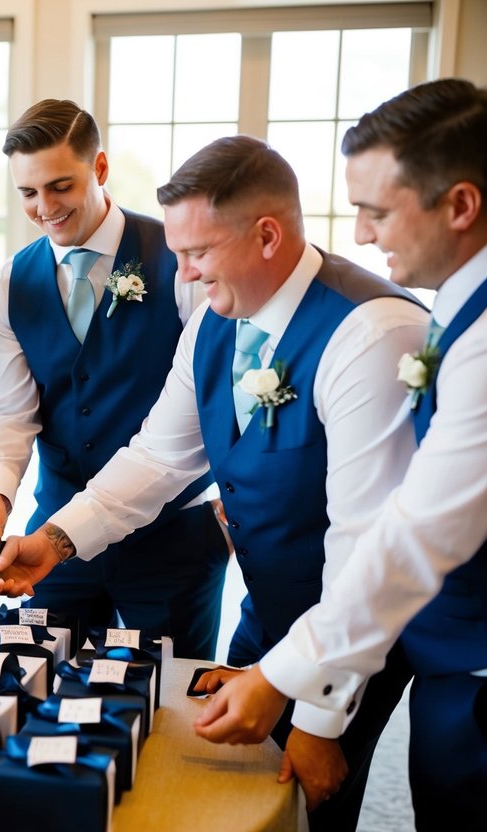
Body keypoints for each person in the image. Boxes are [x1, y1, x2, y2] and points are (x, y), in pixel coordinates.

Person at [0, 135, 427, 829]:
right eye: (178, 253)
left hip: (357, 638)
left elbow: (365, 547)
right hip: (271, 610)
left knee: (306, 807)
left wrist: (316, 718)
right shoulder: (212, 325)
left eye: (197, 253)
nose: (183, 274)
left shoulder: (372, 334)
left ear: (267, 236)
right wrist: (55, 540)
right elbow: (159, 458)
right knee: (219, 788)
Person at [193, 78, 487, 830]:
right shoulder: (459, 310)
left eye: (378, 212)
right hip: (443, 656)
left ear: (459, 205)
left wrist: (284, 678)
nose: (359, 234)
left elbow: (413, 531)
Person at [0, 99, 228, 659]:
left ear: (100, 168)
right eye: (28, 192)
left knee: (170, 693)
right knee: (33, 677)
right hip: (55, 530)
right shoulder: (11, 282)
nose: (44, 208)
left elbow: (213, 401)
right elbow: (10, 411)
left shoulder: (179, 262)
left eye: (60, 186)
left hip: (171, 538)